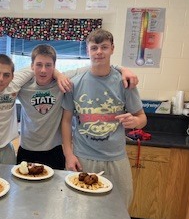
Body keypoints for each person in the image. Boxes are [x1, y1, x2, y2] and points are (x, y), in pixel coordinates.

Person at [0, 45, 139, 169]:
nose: (43, 70)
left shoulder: (57, 81)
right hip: (22, 149)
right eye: (38, 65)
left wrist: (122, 69)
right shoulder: (13, 83)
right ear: (31, 67)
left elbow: (93, 64)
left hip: (52, 151)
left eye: (48, 66)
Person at [61, 29, 147, 207]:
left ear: (112, 49)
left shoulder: (125, 83)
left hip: (116, 158)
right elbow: (66, 121)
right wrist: (68, 155)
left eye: (104, 47)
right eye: (94, 48)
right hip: (83, 157)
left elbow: (142, 118)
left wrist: (136, 122)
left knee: (119, 208)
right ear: (87, 51)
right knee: (78, 207)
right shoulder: (75, 83)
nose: (99, 52)